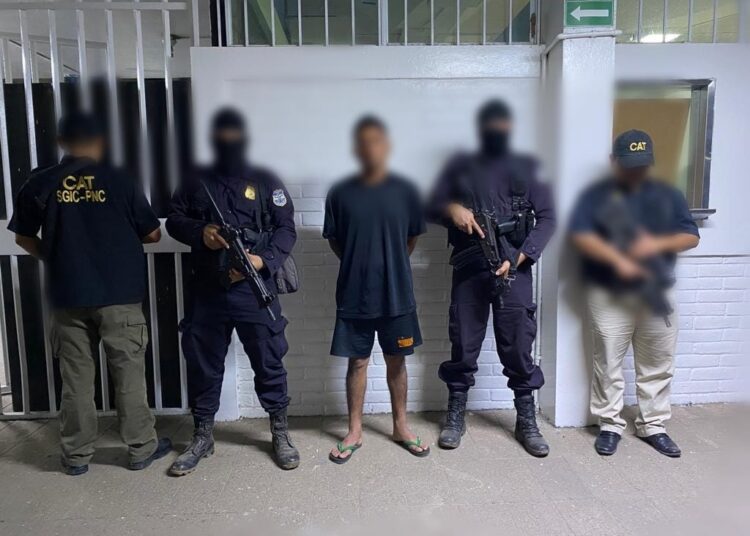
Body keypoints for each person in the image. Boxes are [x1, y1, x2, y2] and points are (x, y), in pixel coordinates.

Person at [8, 111, 171, 476]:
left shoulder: (40, 182)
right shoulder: (120, 179)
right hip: (119, 294)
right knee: (128, 375)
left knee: (76, 380)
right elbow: (152, 234)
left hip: (68, 294)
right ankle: (141, 449)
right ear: (101, 141)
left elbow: (22, 238)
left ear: (61, 142)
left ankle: (76, 456)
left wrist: (55, 256)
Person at [166, 107, 298, 474]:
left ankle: (280, 432)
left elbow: (286, 228)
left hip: (254, 289)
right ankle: (202, 436)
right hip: (208, 289)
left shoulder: (266, 179)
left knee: (269, 361)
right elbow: (174, 219)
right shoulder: (195, 179)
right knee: (204, 364)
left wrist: (263, 261)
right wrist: (201, 233)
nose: (228, 143)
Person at [426, 100, 556, 457]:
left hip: (514, 268)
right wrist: (451, 208)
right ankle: (456, 415)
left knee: (518, 344)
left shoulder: (527, 167)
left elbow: (548, 217)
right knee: (463, 343)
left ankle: (525, 419)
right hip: (469, 268)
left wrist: (520, 256)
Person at [570, 130, 699, 458]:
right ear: (613, 161)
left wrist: (654, 244)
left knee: (658, 362)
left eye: (642, 165)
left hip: (657, 290)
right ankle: (610, 424)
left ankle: (653, 425)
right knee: (608, 362)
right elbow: (581, 237)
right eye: (628, 165)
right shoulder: (595, 197)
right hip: (609, 293)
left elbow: (690, 236)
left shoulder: (669, 195)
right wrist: (618, 260)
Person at [324, 116, 428, 464]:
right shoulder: (340, 193)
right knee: (358, 362)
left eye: (377, 141)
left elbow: (410, 239)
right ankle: (354, 431)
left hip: (397, 293)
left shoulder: (407, 191)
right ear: (356, 149)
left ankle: (401, 427)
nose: (371, 148)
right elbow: (336, 241)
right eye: (364, 142)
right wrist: (361, 264)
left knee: (397, 360)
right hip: (355, 293)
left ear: (388, 146)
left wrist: (389, 264)